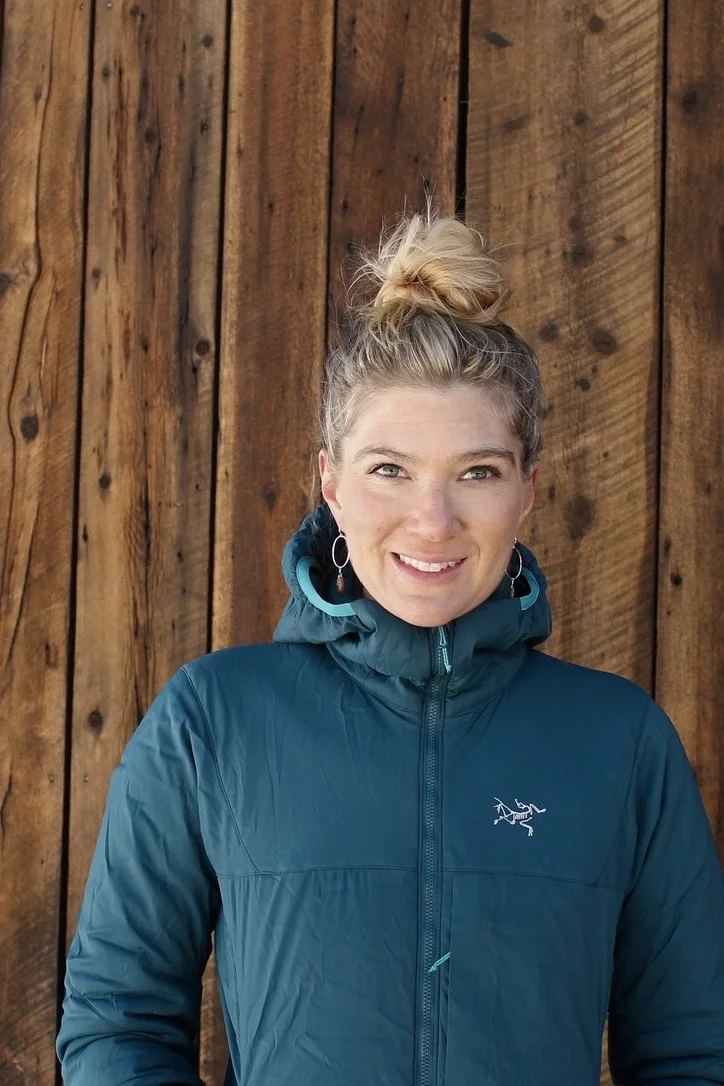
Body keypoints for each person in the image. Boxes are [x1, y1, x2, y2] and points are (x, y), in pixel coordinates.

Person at [57, 210, 724, 1086]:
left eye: (477, 472)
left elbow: (693, 1052)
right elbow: (118, 1019)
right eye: (389, 470)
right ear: (331, 483)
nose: (432, 521)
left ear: (527, 491)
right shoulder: (212, 721)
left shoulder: (621, 741)